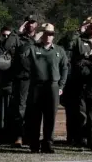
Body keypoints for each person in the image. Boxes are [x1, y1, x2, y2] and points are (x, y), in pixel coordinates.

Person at [24, 23, 69, 153]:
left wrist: (61, 85)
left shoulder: (59, 50)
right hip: (36, 86)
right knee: (35, 117)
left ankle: (48, 144)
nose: (49, 36)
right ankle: (34, 144)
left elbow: (65, 68)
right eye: (46, 33)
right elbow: (22, 54)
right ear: (41, 34)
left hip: (52, 87)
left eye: (51, 34)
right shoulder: (33, 48)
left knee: (50, 118)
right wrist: (33, 39)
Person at [2, 14, 39, 145]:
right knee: (20, 108)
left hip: (37, 79)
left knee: (34, 108)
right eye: (28, 22)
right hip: (22, 79)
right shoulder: (18, 38)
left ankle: (31, 136)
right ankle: (19, 136)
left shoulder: (39, 39)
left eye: (33, 22)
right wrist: (17, 31)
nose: (30, 24)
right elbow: (6, 46)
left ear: (36, 24)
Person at [64, 17, 92, 146]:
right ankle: (78, 138)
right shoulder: (78, 40)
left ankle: (90, 137)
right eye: (91, 26)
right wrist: (78, 32)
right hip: (79, 83)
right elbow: (67, 46)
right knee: (80, 112)